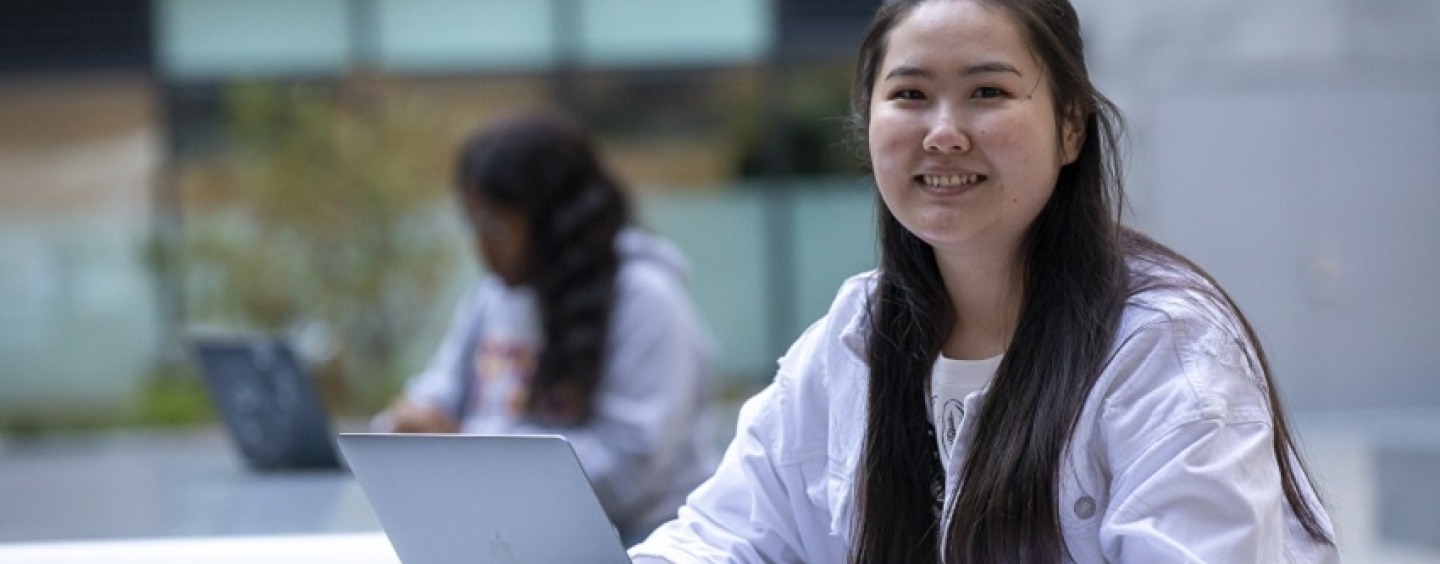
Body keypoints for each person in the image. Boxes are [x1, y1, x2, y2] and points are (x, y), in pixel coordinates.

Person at [629, 0, 1342, 562]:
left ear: (1070, 128)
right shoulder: (851, 342)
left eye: (987, 91)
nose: (943, 132)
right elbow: (720, 538)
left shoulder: (1163, 346)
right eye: (909, 94)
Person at [373, 112, 718, 544]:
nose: (480, 247)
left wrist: (465, 451)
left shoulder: (645, 299)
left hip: (639, 546)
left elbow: (626, 472)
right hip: (519, 541)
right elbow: (437, 396)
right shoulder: (495, 297)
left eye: (495, 227)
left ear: (554, 221)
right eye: (472, 225)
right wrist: (404, 427)